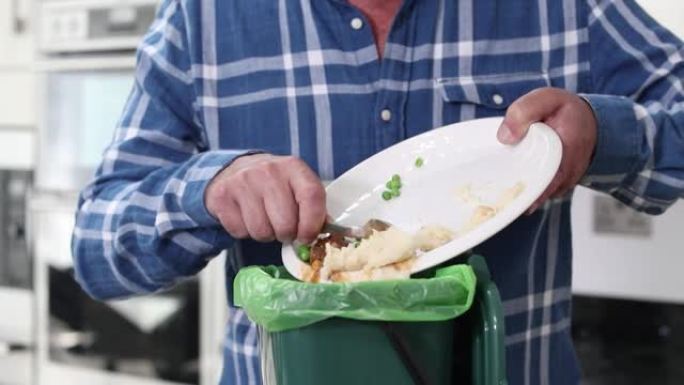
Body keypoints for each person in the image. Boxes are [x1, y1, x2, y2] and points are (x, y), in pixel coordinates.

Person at [71, 0, 684, 384]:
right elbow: (97, 250)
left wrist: (605, 133)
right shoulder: (200, 18)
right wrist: (205, 190)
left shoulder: (565, 8)